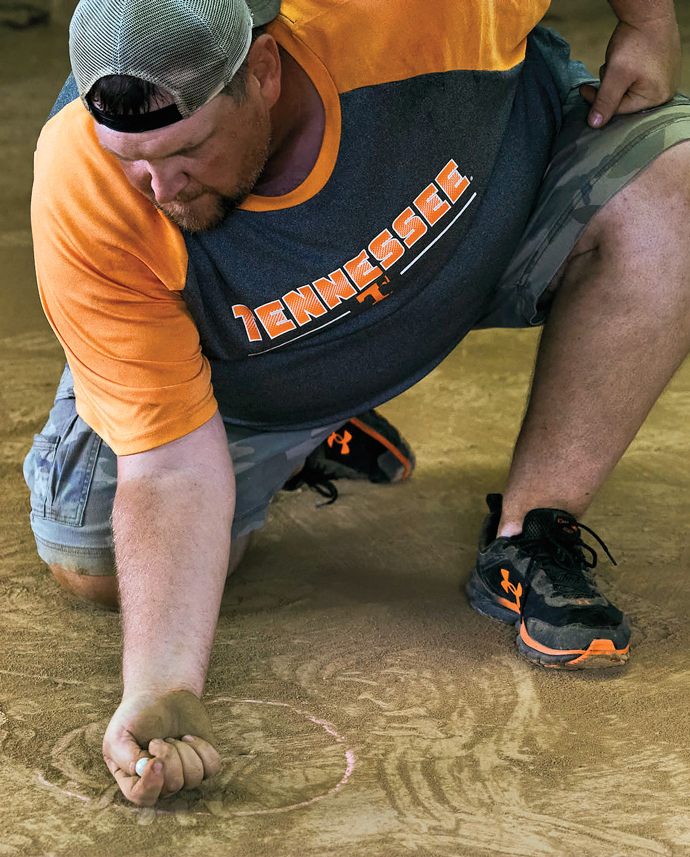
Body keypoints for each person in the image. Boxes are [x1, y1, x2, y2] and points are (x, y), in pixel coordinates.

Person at [24, 0, 688, 807]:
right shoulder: (84, 181)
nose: (160, 186)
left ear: (262, 71)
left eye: (189, 149)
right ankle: (307, 425)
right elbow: (166, 468)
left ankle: (532, 529)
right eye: (134, 161)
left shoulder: (401, 12)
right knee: (94, 565)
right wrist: (163, 685)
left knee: (676, 181)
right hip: (248, 376)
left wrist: (649, 22)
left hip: (485, 229)